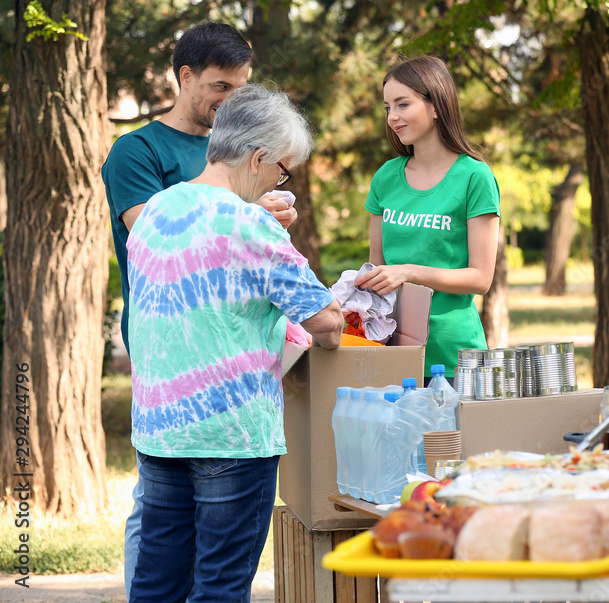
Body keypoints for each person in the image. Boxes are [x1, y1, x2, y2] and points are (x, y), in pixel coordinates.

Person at [100, 22, 296, 597]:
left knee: (190, 520)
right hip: (171, 348)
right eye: (219, 86)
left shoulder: (240, 151)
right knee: (160, 512)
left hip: (232, 343)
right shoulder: (138, 151)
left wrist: (267, 218)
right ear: (184, 77)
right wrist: (249, 215)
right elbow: (162, 238)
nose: (231, 100)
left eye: (240, 87)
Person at [126, 84, 344, 602]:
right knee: (220, 586)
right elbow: (328, 323)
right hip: (232, 433)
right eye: (282, 169)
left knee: (157, 582)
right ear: (259, 158)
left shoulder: (155, 211)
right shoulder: (251, 225)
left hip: (159, 427)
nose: (280, 180)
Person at [354, 55, 501, 379]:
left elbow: (481, 279)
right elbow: (377, 266)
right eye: (387, 107)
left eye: (403, 104)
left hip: (454, 359)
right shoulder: (385, 178)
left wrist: (409, 272)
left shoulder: (475, 177)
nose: (393, 117)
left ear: (436, 106)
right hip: (393, 354)